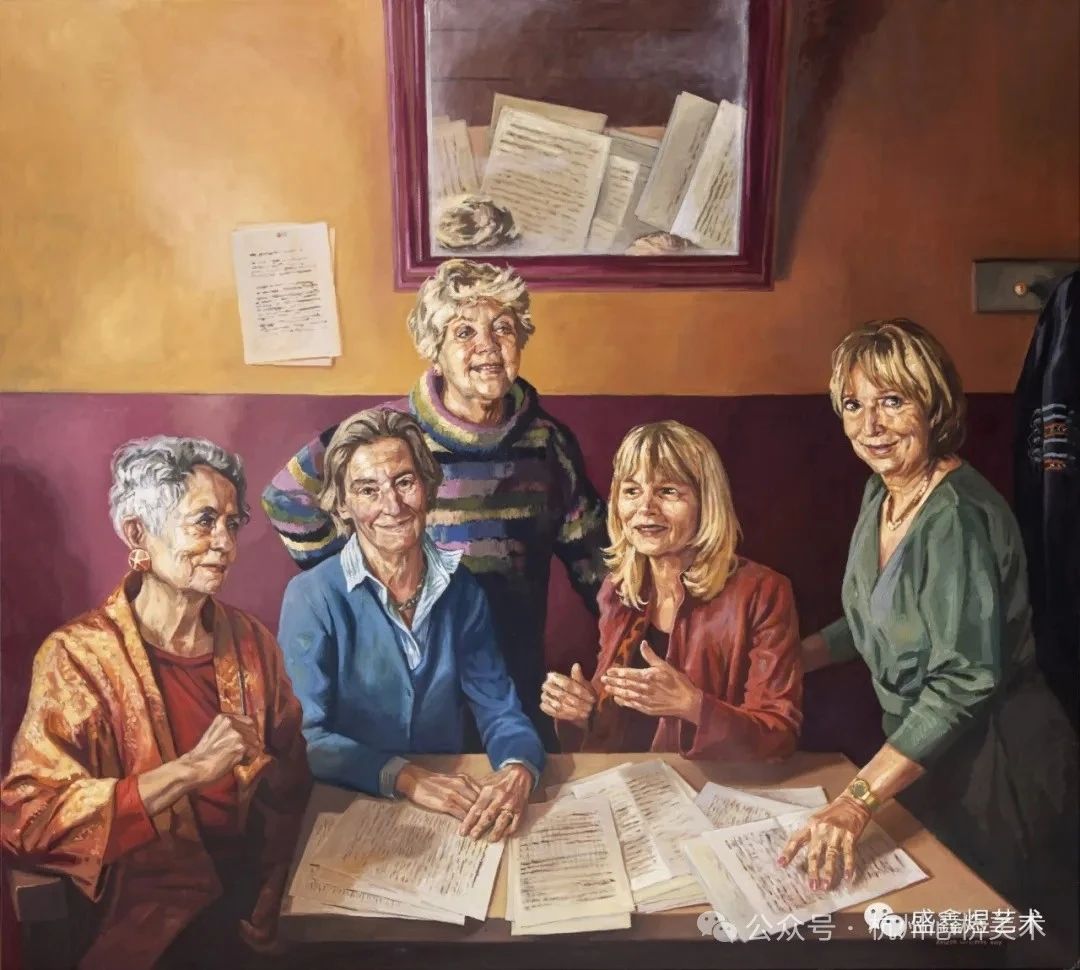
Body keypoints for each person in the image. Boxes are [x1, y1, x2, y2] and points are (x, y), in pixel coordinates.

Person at [781, 319, 1077, 915]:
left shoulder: (956, 516)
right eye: (854, 405)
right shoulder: (883, 493)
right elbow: (874, 618)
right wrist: (789, 658)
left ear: (933, 404)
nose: (871, 425)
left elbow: (964, 680)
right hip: (922, 759)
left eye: (892, 401)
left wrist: (856, 800)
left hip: (999, 768)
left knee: (998, 934)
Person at [263, 258, 607, 750]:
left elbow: (598, 567)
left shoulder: (549, 444)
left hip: (508, 689)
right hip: (408, 696)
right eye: (464, 332)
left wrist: (623, 654)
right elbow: (286, 499)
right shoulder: (386, 437)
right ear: (434, 351)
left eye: (503, 328)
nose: (488, 346)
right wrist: (362, 580)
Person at [1, 436, 311, 970]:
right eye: (204, 521)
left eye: (232, 524)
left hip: (256, 903)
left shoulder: (251, 642)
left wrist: (276, 885)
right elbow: (28, 817)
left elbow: (291, 784)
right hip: (145, 920)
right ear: (138, 533)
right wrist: (188, 772)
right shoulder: (78, 656)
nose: (225, 544)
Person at [277, 408, 544, 842]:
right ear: (342, 505)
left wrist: (518, 769)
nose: (393, 506)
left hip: (448, 813)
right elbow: (307, 738)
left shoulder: (461, 589)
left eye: (404, 482)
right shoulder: (311, 597)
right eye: (368, 490)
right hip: (345, 807)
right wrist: (408, 778)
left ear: (428, 486)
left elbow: (500, 709)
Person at [541, 420, 803, 759]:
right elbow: (614, 732)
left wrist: (692, 706)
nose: (645, 508)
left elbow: (779, 736)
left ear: (706, 503)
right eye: (632, 491)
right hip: (631, 782)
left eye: (667, 491)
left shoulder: (763, 592)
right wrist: (583, 711)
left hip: (715, 782)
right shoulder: (617, 591)